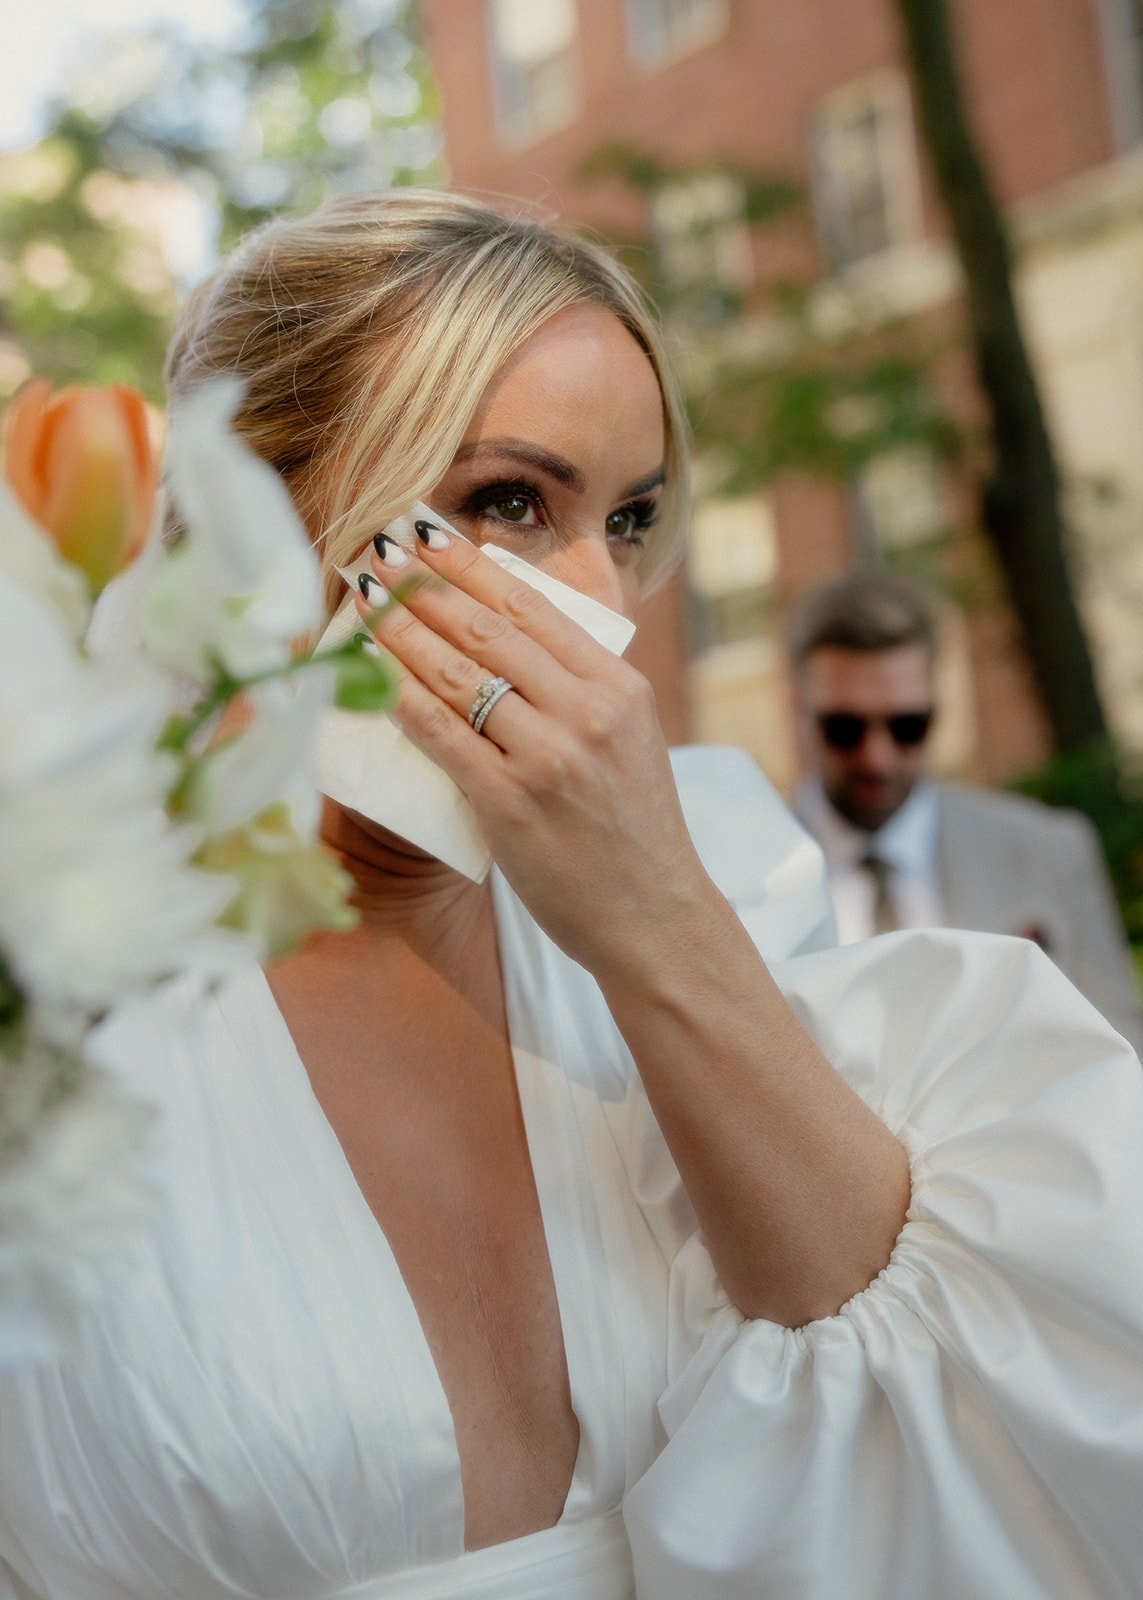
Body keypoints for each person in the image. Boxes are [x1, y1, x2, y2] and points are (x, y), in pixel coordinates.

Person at [2, 190, 1142, 1600]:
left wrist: (652, 924)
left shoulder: (722, 885)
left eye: (630, 519)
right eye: (509, 503)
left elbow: (921, 1426)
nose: (603, 606)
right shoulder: (56, 991)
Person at [788, 567, 1143, 1055]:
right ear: (799, 709)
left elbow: (1120, 1045)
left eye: (907, 726)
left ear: (938, 704)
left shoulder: (1047, 848)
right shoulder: (743, 873)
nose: (877, 758)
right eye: (845, 729)